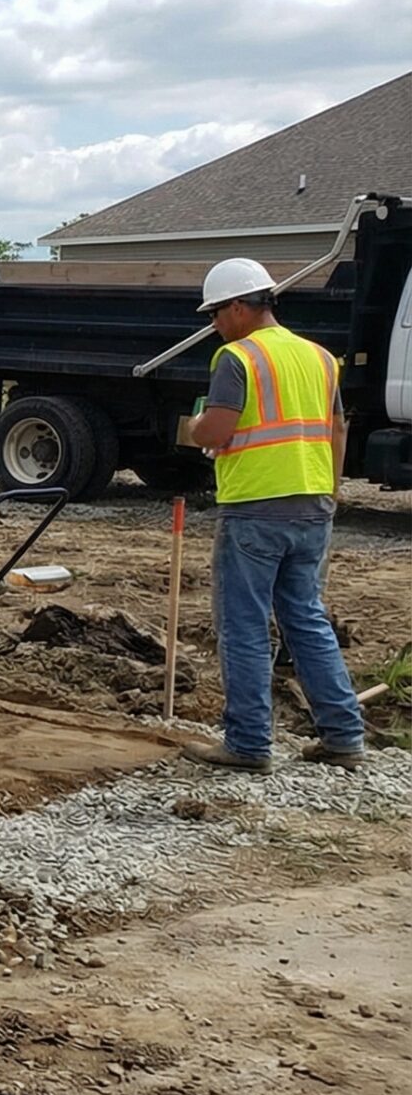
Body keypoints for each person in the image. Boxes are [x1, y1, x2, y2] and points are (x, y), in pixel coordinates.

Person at [182, 257, 364, 771]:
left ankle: (247, 743)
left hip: (256, 507)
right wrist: (329, 492)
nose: (214, 324)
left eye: (217, 313)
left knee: (243, 625)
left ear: (240, 307)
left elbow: (216, 431)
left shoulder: (237, 358)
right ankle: (343, 736)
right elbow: (338, 429)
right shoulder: (321, 358)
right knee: (306, 619)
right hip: (312, 503)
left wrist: (195, 427)